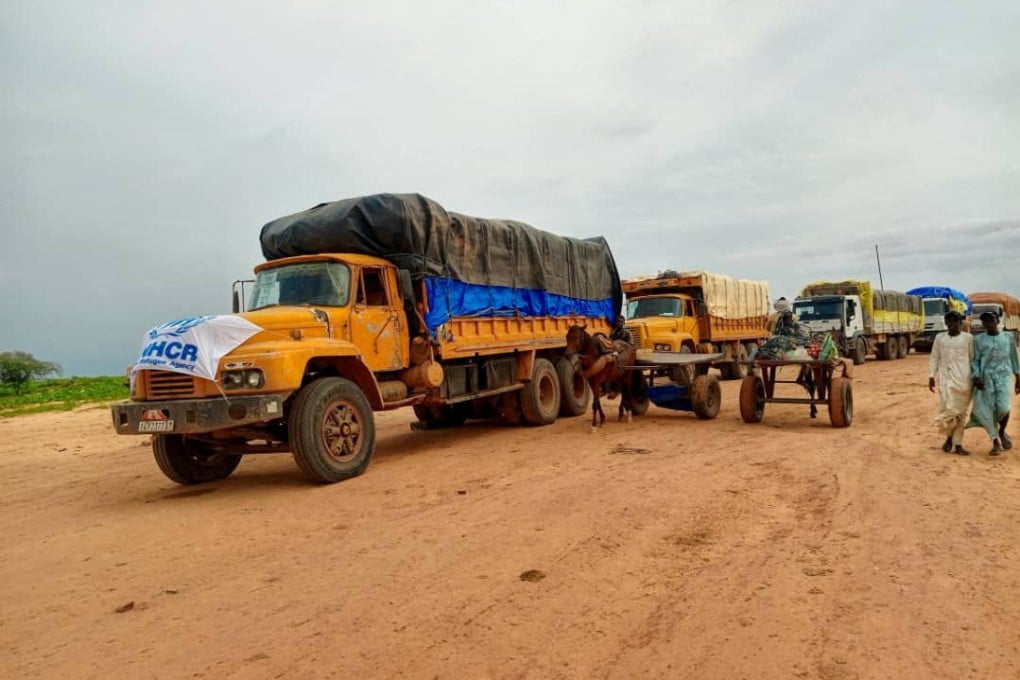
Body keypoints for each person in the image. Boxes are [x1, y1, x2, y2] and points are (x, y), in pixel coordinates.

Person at [967, 311, 1020, 455]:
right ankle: (995, 441)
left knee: (1004, 407)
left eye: (991, 319)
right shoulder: (978, 340)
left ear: (997, 320)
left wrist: (1018, 377)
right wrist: (977, 377)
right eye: (985, 321)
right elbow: (976, 360)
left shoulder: (1008, 337)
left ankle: (1002, 431)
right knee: (987, 409)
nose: (988, 323)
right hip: (986, 378)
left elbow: (1014, 358)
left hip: (1003, 377)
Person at [928, 311, 974, 455]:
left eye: (955, 322)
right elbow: (935, 357)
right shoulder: (940, 338)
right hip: (945, 379)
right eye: (949, 322)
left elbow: (974, 360)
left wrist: (977, 377)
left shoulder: (969, 339)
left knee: (961, 412)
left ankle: (957, 443)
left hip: (964, 380)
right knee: (948, 409)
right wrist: (931, 375)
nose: (952, 325)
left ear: (961, 323)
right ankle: (949, 438)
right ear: (946, 323)